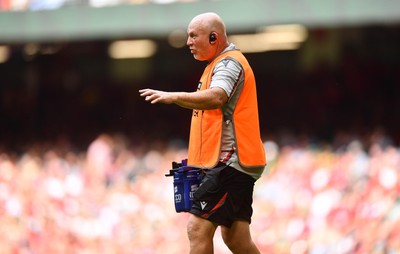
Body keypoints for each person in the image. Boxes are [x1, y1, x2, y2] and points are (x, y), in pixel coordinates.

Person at [139, 12, 266, 254]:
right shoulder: (216, 65)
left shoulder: (229, 63)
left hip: (232, 161)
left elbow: (218, 96)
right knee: (236, 237)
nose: (188, 42)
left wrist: (174, 96)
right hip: (237, 162)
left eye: (193, 36)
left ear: (213, 37)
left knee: (197, 229)